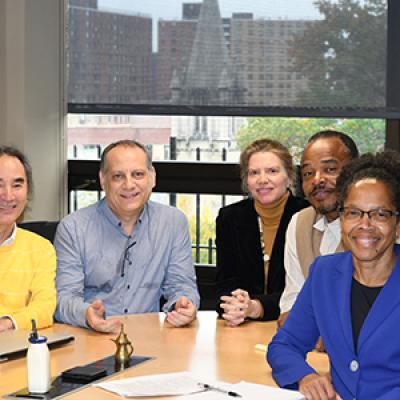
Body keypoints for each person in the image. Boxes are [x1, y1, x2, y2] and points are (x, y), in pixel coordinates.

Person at [268, 151, 400, 400]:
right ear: (341, 219)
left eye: (380, 214)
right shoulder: (324, 273)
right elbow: (284, 345)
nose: (365, 224)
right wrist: (305, 376)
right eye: (353, 212)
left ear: (398, 224)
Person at [54, 140, 200, 332]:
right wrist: (86, 314)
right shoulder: (73, 228)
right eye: (118, 176)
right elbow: (63, 298)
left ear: (152, 177)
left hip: (150, 338)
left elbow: (181, 285)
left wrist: (182, 305)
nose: (129, 184)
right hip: (91, 337)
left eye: (138, 174)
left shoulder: (173, 223)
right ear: (103, 180)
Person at [216, 139, 308, 326]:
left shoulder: (306, 216)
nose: (262, 179)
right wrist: (236, 303)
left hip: (293, 325)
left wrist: (257, 307)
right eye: (254, 173)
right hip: (242, 326)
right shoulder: (230, 217)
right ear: (246, 180)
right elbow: (224, 284)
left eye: (272, 171)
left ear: (289, 177)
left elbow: (303, 292)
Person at [278, 130, 359, 328]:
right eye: (308, 173)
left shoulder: (376, 227)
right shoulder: (299, 223)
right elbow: (291, 305)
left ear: (355, 172)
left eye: (330, 169)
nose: (317, 180)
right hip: (311, 354)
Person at [0, 146, 56, 331]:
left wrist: (7, 323)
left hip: (18, 348)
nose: (8, 196)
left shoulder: (41, 249)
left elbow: (45, 309)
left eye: (17, 185)